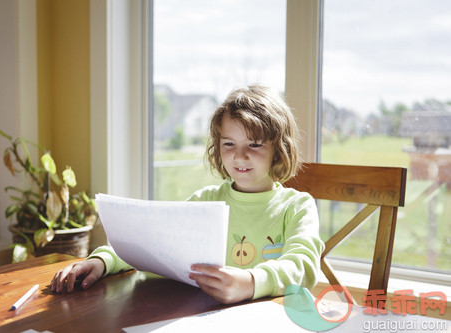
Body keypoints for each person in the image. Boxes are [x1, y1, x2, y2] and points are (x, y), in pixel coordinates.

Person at [51, 84, 324, 304]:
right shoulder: (207, 201)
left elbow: (304, 265)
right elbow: (150, 242)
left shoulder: (297, 206)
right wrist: (102, 261)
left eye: (254, 144)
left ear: (278, 149)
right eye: (229, 143)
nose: (240, 155)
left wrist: (249, 283)